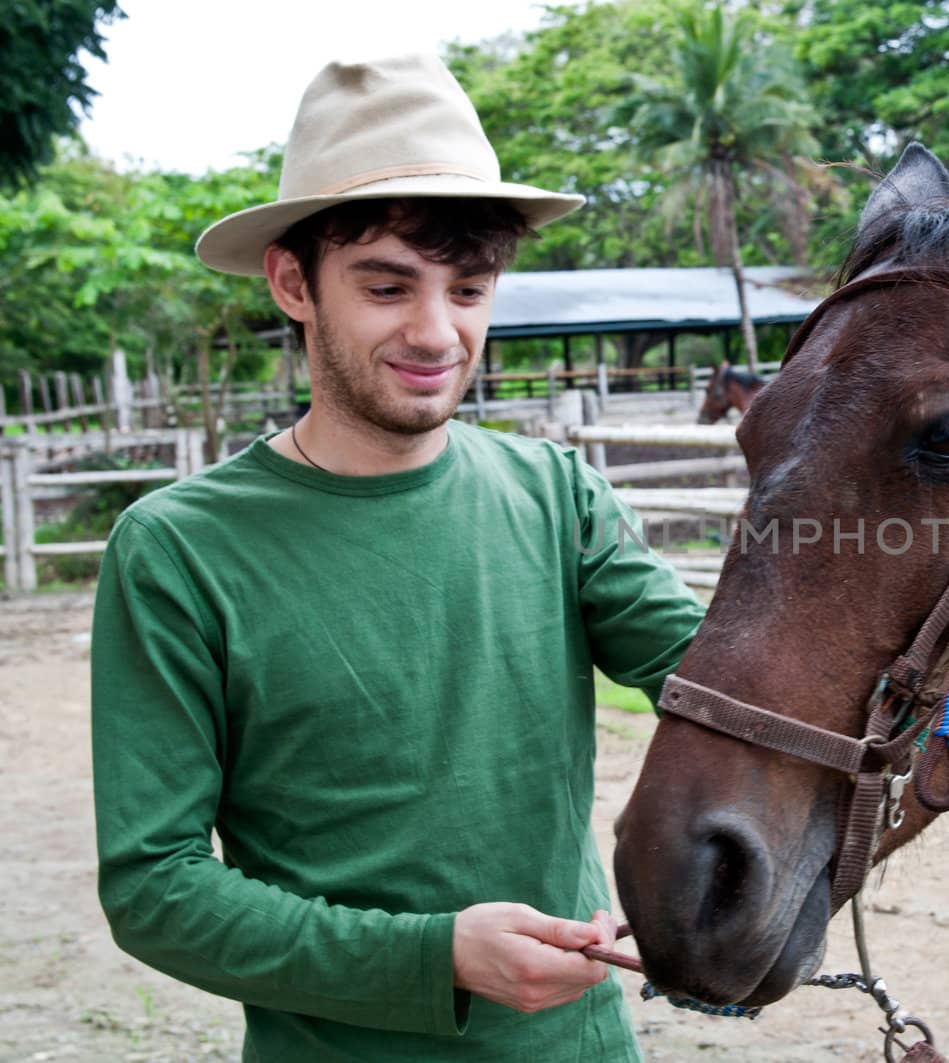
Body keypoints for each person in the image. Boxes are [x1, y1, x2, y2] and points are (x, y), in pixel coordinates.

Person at [90, 53, 704, 1061]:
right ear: (294, 282)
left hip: (580, 1043)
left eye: (468, 288)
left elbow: (721, 681)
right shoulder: (177, 548)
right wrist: (434, 956)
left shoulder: (555, 496)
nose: (436, 331)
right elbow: (154, 889)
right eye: (386, 285)